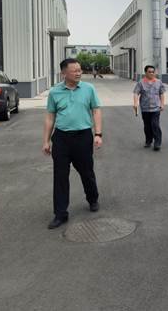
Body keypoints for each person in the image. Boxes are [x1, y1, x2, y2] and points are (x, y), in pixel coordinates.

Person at [42, 58, 103, 229]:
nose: (78, 73)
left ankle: (92, 198)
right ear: (64, 73)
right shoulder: (55, 92)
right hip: (61, 138)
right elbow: (50, 117)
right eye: (74, 70)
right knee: (60, 176)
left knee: (86, 172)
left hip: (83, 137)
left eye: (79, 70)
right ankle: (60, 213)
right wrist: (46, 140)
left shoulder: (88, 89)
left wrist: (98, 133)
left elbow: (96, 110)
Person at [133, 65, 165, 151]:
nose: (151, 73)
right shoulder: (141, 82)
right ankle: (148, 141)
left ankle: (157, 143)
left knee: (155, 125)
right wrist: (135, 103)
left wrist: (162, 104)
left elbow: (161, 93)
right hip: (145, 108)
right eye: (149, 72)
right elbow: (136, 93)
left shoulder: (158, 82)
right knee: (147, 126)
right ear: (145, 73)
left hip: (156, 108)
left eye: (153, 72)